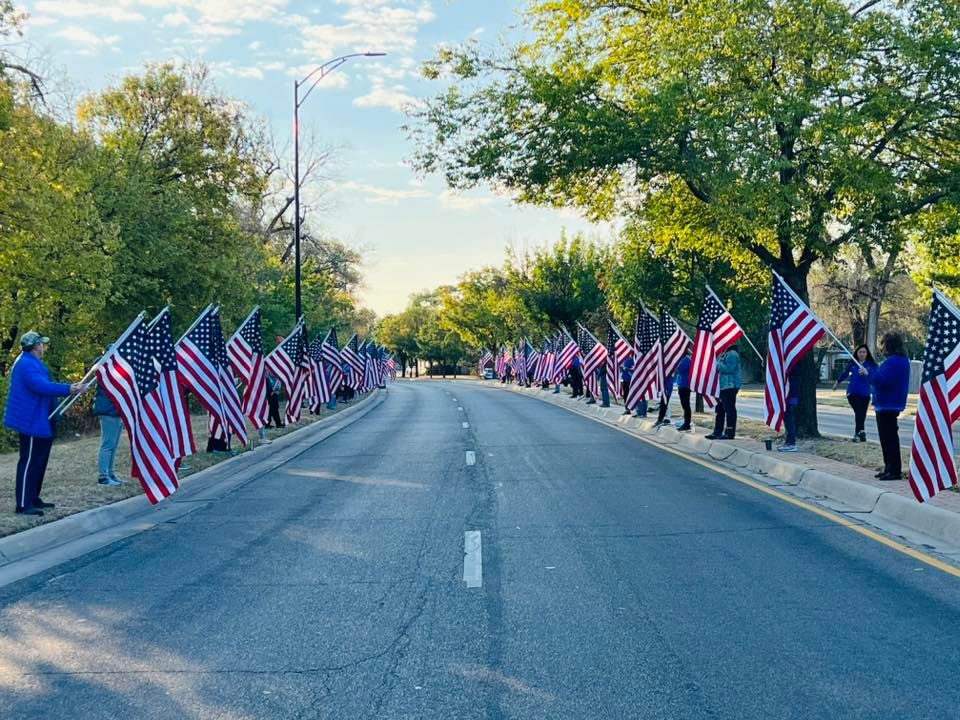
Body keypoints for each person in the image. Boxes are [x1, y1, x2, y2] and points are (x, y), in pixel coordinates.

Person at [3, 331, 86, 516]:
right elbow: (41, 386)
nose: (44, 347)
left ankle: (33, 498)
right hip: (31, 420)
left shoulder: (33, 362)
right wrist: (69, 388)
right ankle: (23, 504)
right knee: (30, 461)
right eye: (42, 344)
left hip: (40, 419)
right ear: (34, 346)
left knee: (39, 461)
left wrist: (70, 389)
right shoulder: (25, 364)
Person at [866, 332, 910, 480]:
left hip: (888, 404)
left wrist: (869, 373)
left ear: (889, 345)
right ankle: (888, 467)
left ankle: (894, 470)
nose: (882, 348)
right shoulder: (902, 361)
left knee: (889, 439)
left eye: (883, 344)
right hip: (890, 403)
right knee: (887, 438)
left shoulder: (893, 362)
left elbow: (882, 380)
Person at [833, 344, 877, 442]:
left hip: (865, 394)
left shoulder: (871, 365)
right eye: (860, 352)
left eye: (864, 352)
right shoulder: (853, 363)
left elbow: (874, 379)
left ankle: (859, 434)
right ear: (857, 353)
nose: (862, 354)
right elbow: (845, 373)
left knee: (862, 414)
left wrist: (867, 373)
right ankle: (860, 432)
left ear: (867, 353)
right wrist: (837, 382)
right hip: (852, 393)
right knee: (859, 412)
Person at [706, 344, 741, 440]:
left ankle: (730, 432)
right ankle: (717, 432)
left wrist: (716, 364)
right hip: (722, 386)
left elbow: (729, 369)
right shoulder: (723, 353)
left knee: (729, 409)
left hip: (730, 385)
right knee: (720, 409)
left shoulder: (732, 354)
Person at [93, 381, 124, 486]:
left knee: (113, 446)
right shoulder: (106, 371)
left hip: (115, 410)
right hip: (109, 410)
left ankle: (110, 474)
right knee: (107, 445)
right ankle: (103, 477)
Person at [778, 365, 802, 452]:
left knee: (788, 417)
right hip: (792, 395)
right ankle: (789, 441)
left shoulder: (793, 371)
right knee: (788, 417)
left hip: (791, 395)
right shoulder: (794, 370)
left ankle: (791, 443)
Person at [674, 352, 693, 431]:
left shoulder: (686, 360)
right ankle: (686, 422)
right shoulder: (687, 360)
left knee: (685, 405)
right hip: (683, 384)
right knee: (685, 405)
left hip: (684, 385)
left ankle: (687, 423)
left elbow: (679, 369)